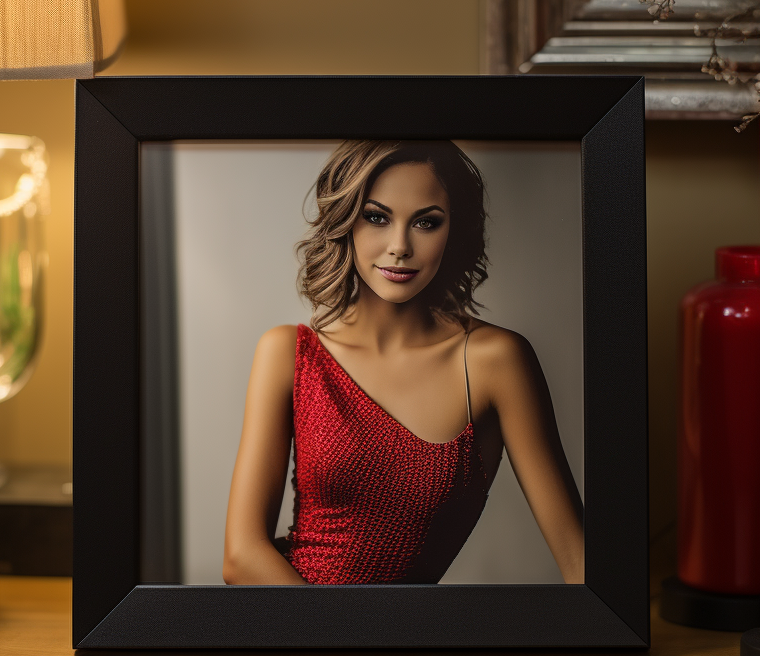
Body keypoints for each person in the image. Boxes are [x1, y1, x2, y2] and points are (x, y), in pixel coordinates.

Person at [222, 140, 584, 586]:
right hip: (295, 636)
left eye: (426, 223)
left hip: (403, 646)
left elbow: (580, 561)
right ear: (346, 222)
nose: (399, 246)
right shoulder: (288, 353)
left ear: (454, 231)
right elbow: (242, 557)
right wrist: (340, 647)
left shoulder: (495, 362)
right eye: (376, 217)